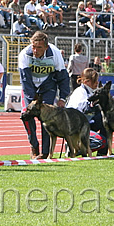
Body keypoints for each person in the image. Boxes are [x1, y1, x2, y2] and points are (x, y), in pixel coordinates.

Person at [19, 31, 70, 159]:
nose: (35, 50)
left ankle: (45, 152)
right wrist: (33, 101)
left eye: (39, 48)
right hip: (30, 86)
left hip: (48, 87)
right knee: (26, 113)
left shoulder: (55, 54)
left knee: (47, 118)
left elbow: (63, 78)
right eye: (33, 47)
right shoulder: (24, 55)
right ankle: (34, 145)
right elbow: (25, 81)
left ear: (46, 47)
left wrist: (62, 98)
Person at [66, 68, 109, 155]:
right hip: (76, 128)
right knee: (101, 142)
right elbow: (83, 109)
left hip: (86, 124)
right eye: (95, 80)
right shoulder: (79, 93)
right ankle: (75, 148)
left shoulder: (89, 91)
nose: (97, 82)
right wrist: (94, 105)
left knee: (107, 119)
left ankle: (102, 154)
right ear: (86, 82)